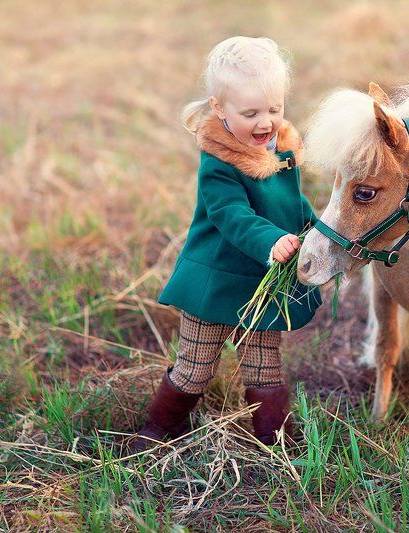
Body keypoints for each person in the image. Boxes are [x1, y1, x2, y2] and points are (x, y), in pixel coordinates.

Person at [126, 36, 321, 452]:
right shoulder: (218, 163)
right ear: (219, 108)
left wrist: (317, 231)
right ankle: (159, 430)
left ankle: (276, 441)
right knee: (195, 368)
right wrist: (273, 240)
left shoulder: (280, 150)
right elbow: (231, 215)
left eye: (274, 109)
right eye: (250, 113)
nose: (265, 122)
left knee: (264, 369)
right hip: (216, 281)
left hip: (264, 282)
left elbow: (294, 204)